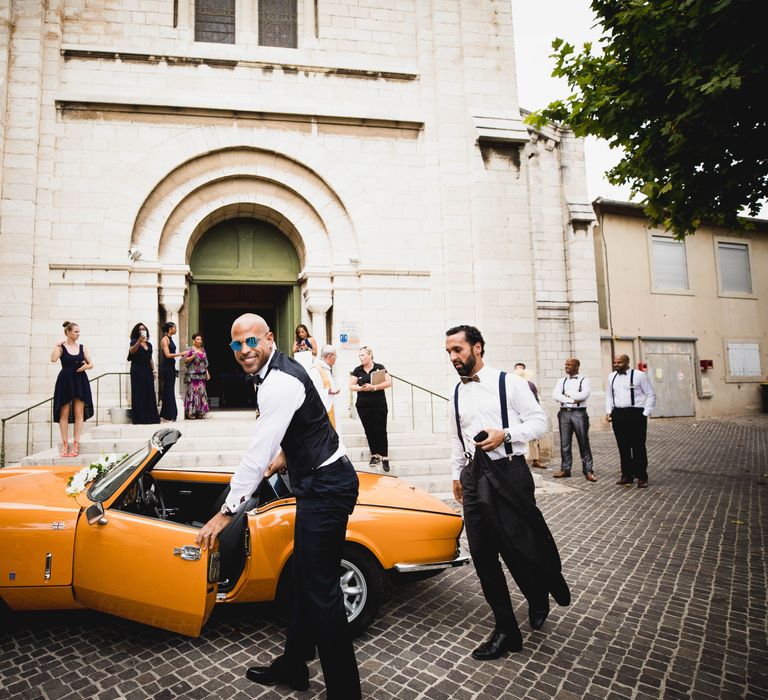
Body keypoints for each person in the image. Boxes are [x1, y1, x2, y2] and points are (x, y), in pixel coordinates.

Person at [196, 314, 361, 699]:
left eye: (251, 341)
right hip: (314, 482)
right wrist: (287, 455)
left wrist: (225, 514)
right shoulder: (278, 373)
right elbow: (309, 419)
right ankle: (293, 666)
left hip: (327, 487)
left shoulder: (279, 383)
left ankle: (346, 693)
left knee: (323, 592)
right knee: (306, 578)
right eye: (236, 345)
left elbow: (256, 456)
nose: (244, 351)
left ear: (268, 338)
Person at [447, 325, 570, 660]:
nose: (453, 358)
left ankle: (539, 593)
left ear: (478, 348)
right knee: (484, 556)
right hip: (473, 476)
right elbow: (457, 437)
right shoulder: (456, 392)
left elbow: (539, 422)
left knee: (519, 548)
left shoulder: (509, 383)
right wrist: (457, 474)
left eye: (458, 350)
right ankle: (506, 630)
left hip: (509, 472)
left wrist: (506, 434)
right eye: (449, 352)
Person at [605, 354, 656, 488]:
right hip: (618, 414)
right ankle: (627, 475)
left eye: (619, 362)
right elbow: (609, 396)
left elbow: (650, 394)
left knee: (638, 446)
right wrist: (608, 412)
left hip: (635, 413)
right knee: (623, 447)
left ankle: (641, 476)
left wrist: (645, 413)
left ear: (627, 362)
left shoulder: (639, 375)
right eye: (615, 362)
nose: (616, 364)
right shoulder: (611, 376)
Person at [51, 321, 94, 457]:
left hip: (80, 380)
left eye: (79, 331)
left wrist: (86, 367)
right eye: (76, 331)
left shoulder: (82, 347)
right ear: (68, 332)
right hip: (65, 381)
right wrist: (56, 345)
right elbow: (53, 359)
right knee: (64, 414)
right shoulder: (61, 347)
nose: (78, 334)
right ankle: (65, 445)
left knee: (78, 413)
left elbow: (91, 363)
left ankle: (75, 445)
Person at [551, 358, 596, 482]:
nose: (566, 367)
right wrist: (572, 400)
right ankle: (565, 469)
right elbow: (555, 395)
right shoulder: (562, 380)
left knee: (583, 442)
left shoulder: (584, 380)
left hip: (579, 413)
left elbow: (584, 395)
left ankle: (588, 470)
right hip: (564, 413)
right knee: (564, 443)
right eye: (566, 364)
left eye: (569, 365)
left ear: (577, 366)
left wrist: (565, 397)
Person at [349, 345, 392, 472]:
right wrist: (361, 388)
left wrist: (373, 387)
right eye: (359, 356)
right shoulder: (358, 370)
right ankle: (375, 455)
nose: (361, 358)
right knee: (369, 430)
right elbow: (351, 386)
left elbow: (388, 382)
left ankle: (384, 457)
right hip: (363, 405)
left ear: (370, 355)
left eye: (363, 355)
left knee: (381, 430)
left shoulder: (379, 367)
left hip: (379, 404)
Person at [128, 322, 160, 425]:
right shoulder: (133, 341)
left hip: (147, 370)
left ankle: (151, 418)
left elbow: (150, 358)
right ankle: (139, 418)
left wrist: (154, 370)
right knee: (138, 392)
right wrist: (138, 341)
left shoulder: (149, 344)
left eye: (144, 329)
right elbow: (132, 352)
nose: (142, 331)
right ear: (137, 332)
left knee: (149, 392)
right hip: (137, 370)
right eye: (140, 329)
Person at [514, 362, 544, 469]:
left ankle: (536, 459)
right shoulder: (511, 385)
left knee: (533, 438)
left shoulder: (530, 385)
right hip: (517, 416)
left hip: (529, 414)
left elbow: (535, 400)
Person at [308, 345, 342, 431]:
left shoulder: (325, 368)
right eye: (335, 356)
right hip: (323, 412)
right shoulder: (315, 369)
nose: (336, 358)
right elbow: (312, 391)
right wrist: (328, 391)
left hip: (331, 407)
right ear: (330, 356)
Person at [159, 322, 183, 422]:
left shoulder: (170, 339)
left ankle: (167, 414)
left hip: (171, 367)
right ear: (170, 329)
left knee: (169, 390)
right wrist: (181, 353)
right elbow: (167, 355)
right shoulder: (165, 339)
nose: (176, 329)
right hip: (166, 367)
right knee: (168, 390)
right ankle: (169, 415)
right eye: (174, 328)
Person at [182, 332, 210, 419]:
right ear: (194, 340)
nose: (200, 341)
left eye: (200, 339)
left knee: (201, 393)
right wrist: (192, 357)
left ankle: (200, 412)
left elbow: (205, 363)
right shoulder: (189, 349)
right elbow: (185, 360)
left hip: (202, 374)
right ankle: (191, 412)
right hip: (192, 374)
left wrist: (207, 372)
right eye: (198, 339)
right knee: (192, 393)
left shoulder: (202, 350)